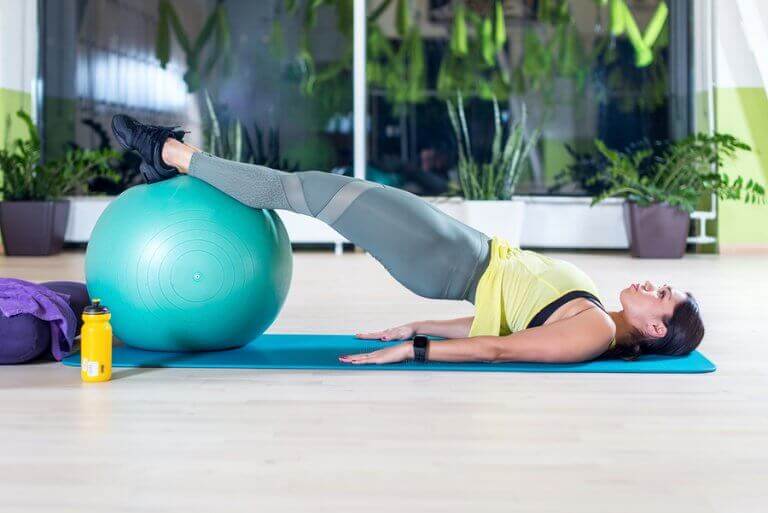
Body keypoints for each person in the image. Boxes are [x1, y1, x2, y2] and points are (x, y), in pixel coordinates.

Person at [110, 115, 705, 365]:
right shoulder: (595, 310)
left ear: (655, 328)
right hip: (455, 248)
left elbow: (499, 351)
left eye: (663, 294)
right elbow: (499, 325)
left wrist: (414, 353)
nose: (655, 284)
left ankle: (168, 152)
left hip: (447, 258)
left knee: (302, 191)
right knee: (307, 190)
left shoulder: (597, 331)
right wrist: (415, 325)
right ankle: (172, 155)